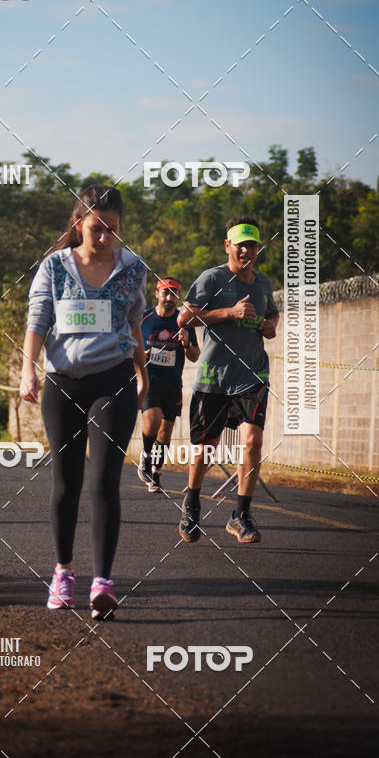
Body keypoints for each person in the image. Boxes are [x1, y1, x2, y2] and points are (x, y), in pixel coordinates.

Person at [20, 185, 148, 620]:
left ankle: (103, 584)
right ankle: (63, 573)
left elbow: (134, 326)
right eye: (97, 228)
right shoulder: (54, 267)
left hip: (113, 380)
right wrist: (28, 369)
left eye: (113, 229)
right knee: (66, 482)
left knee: (104, 482)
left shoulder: (133, 270)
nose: (105, 237)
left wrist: (143, 375)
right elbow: (38, 318)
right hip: (63, 382)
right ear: (79, 224)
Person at [177, 217, 279, 543]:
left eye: (253, 245)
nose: (247, 251)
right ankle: (192, 501)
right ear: (228, 246)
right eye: (241, 245)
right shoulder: (212, 278)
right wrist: (228, 313)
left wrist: (270, 325)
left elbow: (272, 312)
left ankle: (241, 515)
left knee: (253, 441)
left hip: (252, 375)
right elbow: (185, 317)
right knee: (206, 449)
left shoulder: (262, 284)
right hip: (214, 377)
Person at [138, 277, 200, 492]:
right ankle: (145, 458)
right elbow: (127, 346)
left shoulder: (184, 321)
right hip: (149, 381)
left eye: (174, 294)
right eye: (165, 293)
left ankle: (155, 472)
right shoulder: (144, 318)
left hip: (173, 383)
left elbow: (194, 356)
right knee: (152, 421)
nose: (169, 298)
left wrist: (186, 342)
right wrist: (140, 356)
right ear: (157, 293)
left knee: (165, 432)